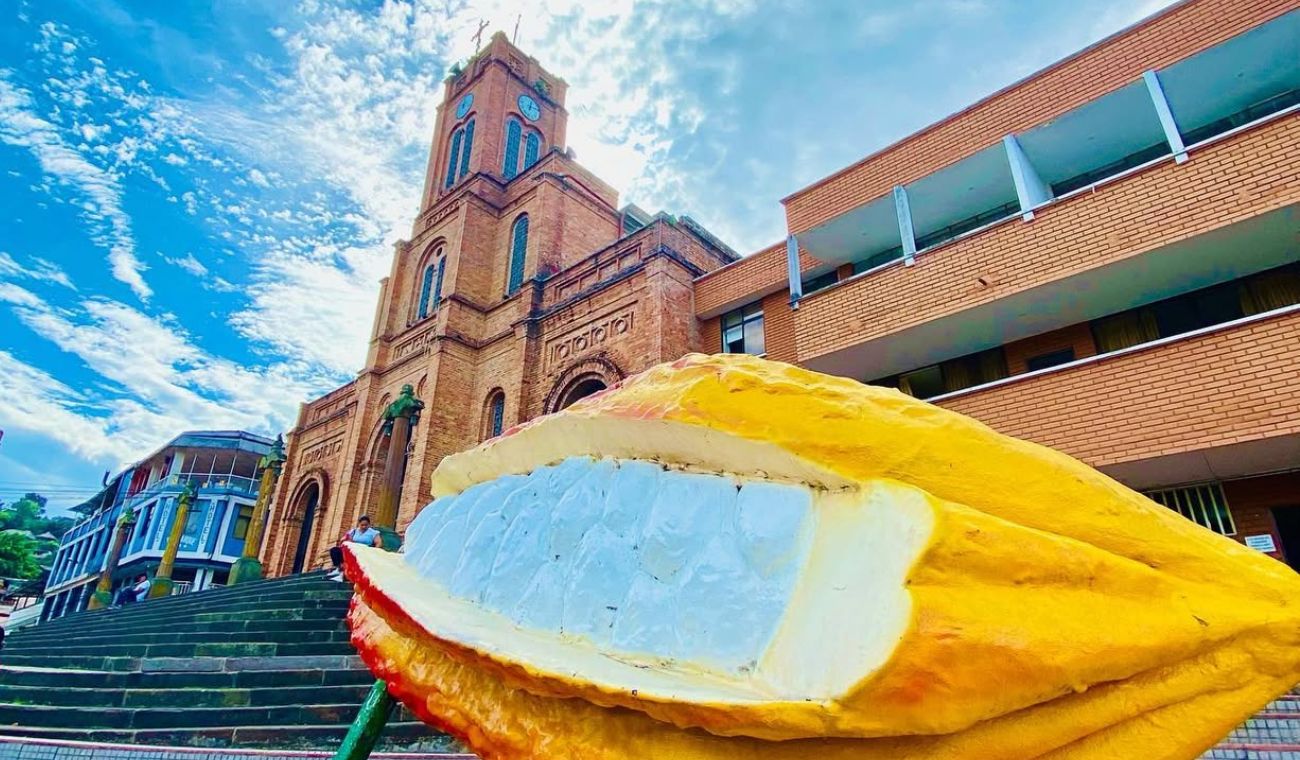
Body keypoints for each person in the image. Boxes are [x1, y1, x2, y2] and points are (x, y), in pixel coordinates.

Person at [328, 515, 382, 581]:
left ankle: (343, 573)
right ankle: (339, 568)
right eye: (362, 525)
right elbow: (344, 539)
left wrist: (374, 551)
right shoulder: (353, 531)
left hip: (364, 550)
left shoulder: (373, 532)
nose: (364, 527)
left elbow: (378, 543)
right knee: (335, 550)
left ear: (369, 524)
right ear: (359, 524)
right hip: (353, 549)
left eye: (366, 525)